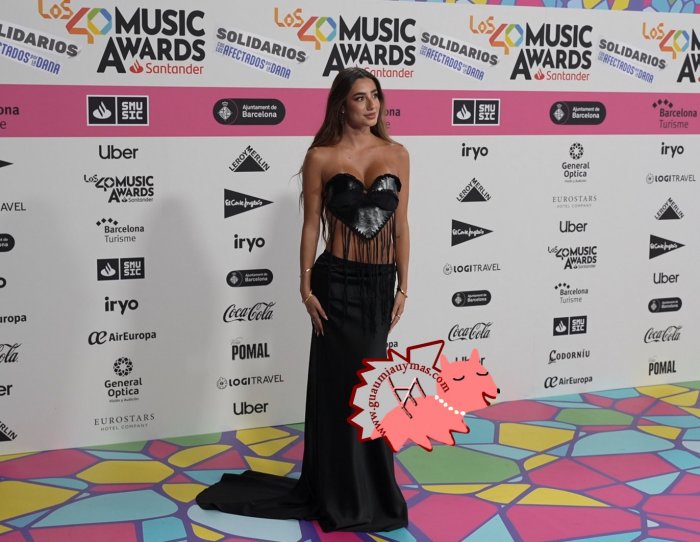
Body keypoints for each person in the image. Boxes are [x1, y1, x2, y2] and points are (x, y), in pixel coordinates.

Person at [196, 67, 410, 533]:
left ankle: (373, 491)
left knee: (371, 390)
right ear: (341, 105)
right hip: (336, 285)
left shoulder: (397, 153)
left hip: (378, 287)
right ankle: (340, 493)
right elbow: (311, 223)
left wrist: (404, 286)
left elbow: (401, 225)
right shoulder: (321, 156)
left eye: (375, 95)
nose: (371, 105)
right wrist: (305, 286)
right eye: (360, 97)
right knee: (340, 390)